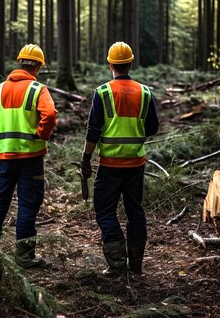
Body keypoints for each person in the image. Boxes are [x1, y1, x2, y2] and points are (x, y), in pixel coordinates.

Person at [80, 41, 159, 277]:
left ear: (111, 64)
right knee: (135, 210)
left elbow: (93, 130)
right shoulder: (145, 92)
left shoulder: (102, 93)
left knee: (104, 211)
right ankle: (135, 264)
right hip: (136, 164)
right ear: (130, 63)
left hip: (110, 165)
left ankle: (116, 263)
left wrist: (86, 157)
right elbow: (153, 127)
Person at [0, 44, 58, 268]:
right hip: (31, 158)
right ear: (37, 66)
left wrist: (0, 143)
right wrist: (41, 134)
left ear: (20, 63)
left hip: (5, 158)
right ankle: (25, 257)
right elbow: (51, 114)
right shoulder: (38, 90)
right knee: (27, 205)